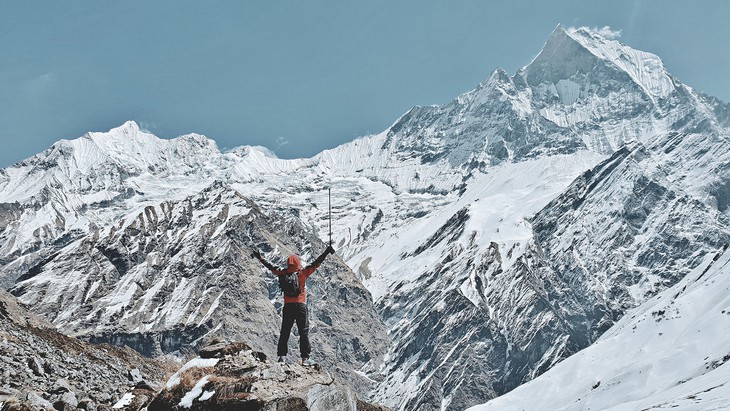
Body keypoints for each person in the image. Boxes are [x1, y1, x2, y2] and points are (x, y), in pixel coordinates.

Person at [253, 245, 335, 365]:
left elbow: (270, 266)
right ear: (298, 263)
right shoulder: (302, 273)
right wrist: (327, 252)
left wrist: (260, 257)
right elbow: (317, 263)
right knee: (303, 332)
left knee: (285, 331)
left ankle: (282, 356)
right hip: (300, 305)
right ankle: (305, 358)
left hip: (288, 306)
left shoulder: (282, 273)